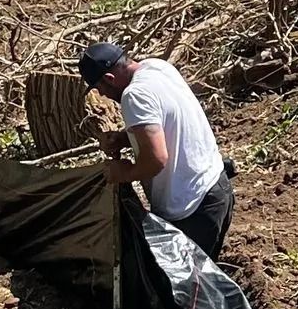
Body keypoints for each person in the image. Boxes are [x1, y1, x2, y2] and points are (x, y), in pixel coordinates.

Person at [77, 39, 234, 261]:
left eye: (100, 88)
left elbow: (156, 159)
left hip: (191, 207)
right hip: (216, 188)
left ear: (109, 79)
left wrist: (124, 173)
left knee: (187, 290)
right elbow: (169, 123)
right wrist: (125, 138)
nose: (102, 95)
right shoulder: (157, 67)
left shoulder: (134, 95)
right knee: (204, 282)